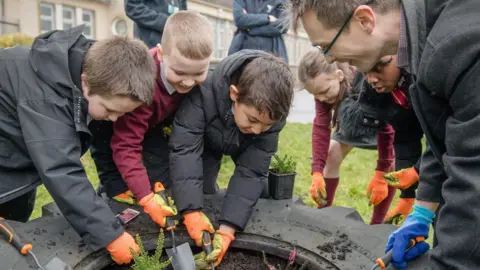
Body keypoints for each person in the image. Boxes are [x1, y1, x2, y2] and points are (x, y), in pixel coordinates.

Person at [290, 0, 480, 268]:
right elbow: (447, 139)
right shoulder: (424, 45)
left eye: (326, 47)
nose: (330, 59)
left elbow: (473, 178)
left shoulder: (460, 46)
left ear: (364, 20)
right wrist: (422, 212)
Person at [0, 25, 157, 265]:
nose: (115, 118)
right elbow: (62, 170)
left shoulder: (99, 72)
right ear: (85, 84)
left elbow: (102, 138)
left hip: (16, 158)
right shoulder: (46, 95)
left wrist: (115, 185)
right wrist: (111, 235)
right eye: (111, 110)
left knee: (14, 230)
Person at [169, 50, 294, 267]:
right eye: (253, 119)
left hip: (238, 141)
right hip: (204, 141)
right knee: (198, 192)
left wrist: (228, 229)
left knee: (250, 193)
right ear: (234, 94)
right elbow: (185, 150)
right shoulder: (204, 92)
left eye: (267, 126)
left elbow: (251, 171)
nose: (257, 130)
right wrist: (190, 211)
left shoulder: (267, 121)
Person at [90, 11, 213, 229]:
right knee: (119, 179)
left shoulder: (190, 78)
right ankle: (110, 191)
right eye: (179, 72)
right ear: (162, 54)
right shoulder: (144, 84)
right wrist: (146, 198)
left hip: (154, 126)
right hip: (112, 128)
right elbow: (126, 144)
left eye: (198, 74)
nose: (188, 82)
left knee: (159, 177)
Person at [297, 50, 397, 225]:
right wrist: (317, 172)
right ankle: (323, 215)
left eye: (324, 91)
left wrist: (381, 173)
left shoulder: (366, 76)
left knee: (392, 167)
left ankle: (376, 224)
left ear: (339, 75)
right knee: (331, 153)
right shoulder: (323, 91)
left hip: (381, 122)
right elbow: (321, 126)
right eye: (316, 95)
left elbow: (387, 128)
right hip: (352, 123)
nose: (321, 98)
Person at [365, 55, 422, 224]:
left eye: (378, 68)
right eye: (365, 72)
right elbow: (405, 136)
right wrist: (407, 196)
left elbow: (446, 138)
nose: (371, 79)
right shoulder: (390, 90)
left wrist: (418, 170)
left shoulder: (422, 77)